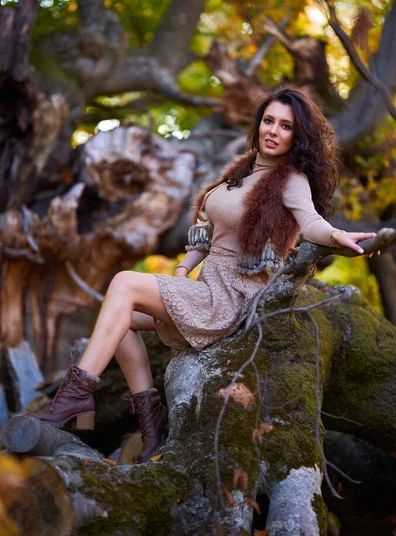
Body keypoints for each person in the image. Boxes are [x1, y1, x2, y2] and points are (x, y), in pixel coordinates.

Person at [28, 87, 377, 463]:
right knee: (121, 318)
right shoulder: (239, 172)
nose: (273, 130)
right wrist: (181, 270)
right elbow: (205, 236)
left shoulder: (290, 181)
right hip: (207, 286)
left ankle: (76, 395)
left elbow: (310, 223)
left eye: (286, 126)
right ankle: (151, 421)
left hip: (237, 296)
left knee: (123, 282)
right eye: (268, 120)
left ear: (299, 135)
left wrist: (337, 235)